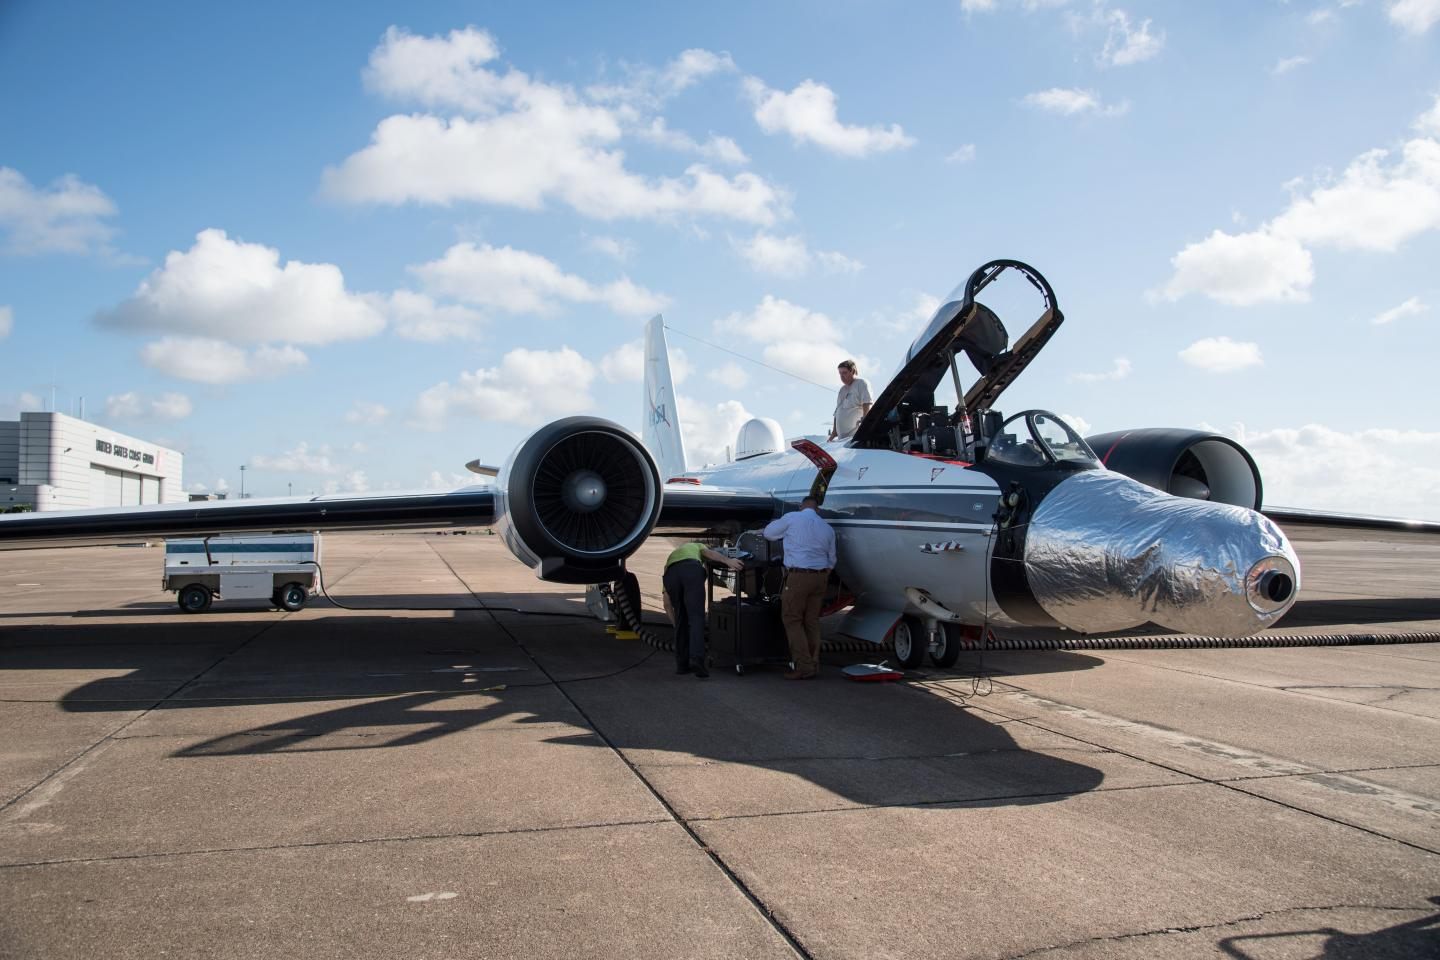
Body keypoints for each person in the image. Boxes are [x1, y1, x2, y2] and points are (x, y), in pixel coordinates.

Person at [763, 497, 836, 680]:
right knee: (811, 621)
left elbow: (769, 534)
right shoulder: (827, 527)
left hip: (798, 576)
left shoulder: (792, 517)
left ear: (801, 506)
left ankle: (803, 666)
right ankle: (814, 663)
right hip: (820, 577)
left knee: (792, 618)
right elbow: (832, 560)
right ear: (817, 509)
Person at [662, 542, 744, 678]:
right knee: (696, 618)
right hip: (691, 571)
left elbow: (666, 603)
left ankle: (682, 665)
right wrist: (728, 560)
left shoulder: (670, 561)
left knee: (681, 618)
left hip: (672, 577)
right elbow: (709, 553)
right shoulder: (697, 546)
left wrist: (676, 626)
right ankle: (698, 661)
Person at [828, 359, 873, 441]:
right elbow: (837, 411)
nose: (842, 377)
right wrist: (834, 432)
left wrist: (866, 420)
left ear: (852, 371)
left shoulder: (861, 383)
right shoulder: (842, 390)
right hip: (842, 440)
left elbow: (867, 402)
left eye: (844, 373)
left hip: (856, 438)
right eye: (840, 373)